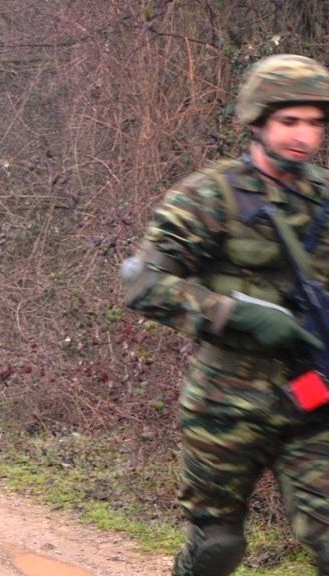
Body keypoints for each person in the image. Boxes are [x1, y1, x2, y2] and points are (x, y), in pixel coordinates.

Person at [121, 54, 329, 576]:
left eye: (315, 123)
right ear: (257, 122)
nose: (304, 135)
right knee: (217, 547)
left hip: (313, 399)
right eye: (290, 121)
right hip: (225, 403)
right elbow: (142, 282)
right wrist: (232, 313)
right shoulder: (209, 196)